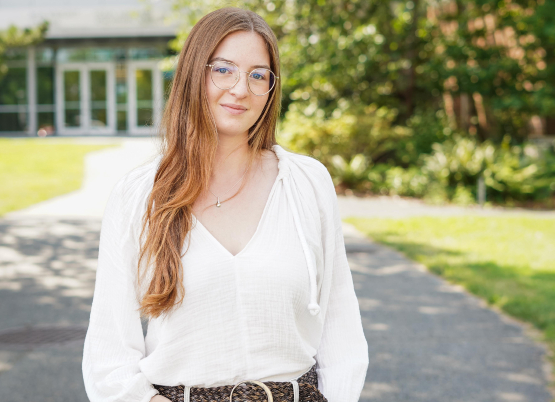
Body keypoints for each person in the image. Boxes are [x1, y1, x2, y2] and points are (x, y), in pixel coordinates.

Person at [82, 7, 368, 402]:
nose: (240, 89)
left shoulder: (307, 182)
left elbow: (341, 330)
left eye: (257, 75)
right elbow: (108, 356)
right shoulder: (139, 196)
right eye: (223, 70)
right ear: (193, 74)